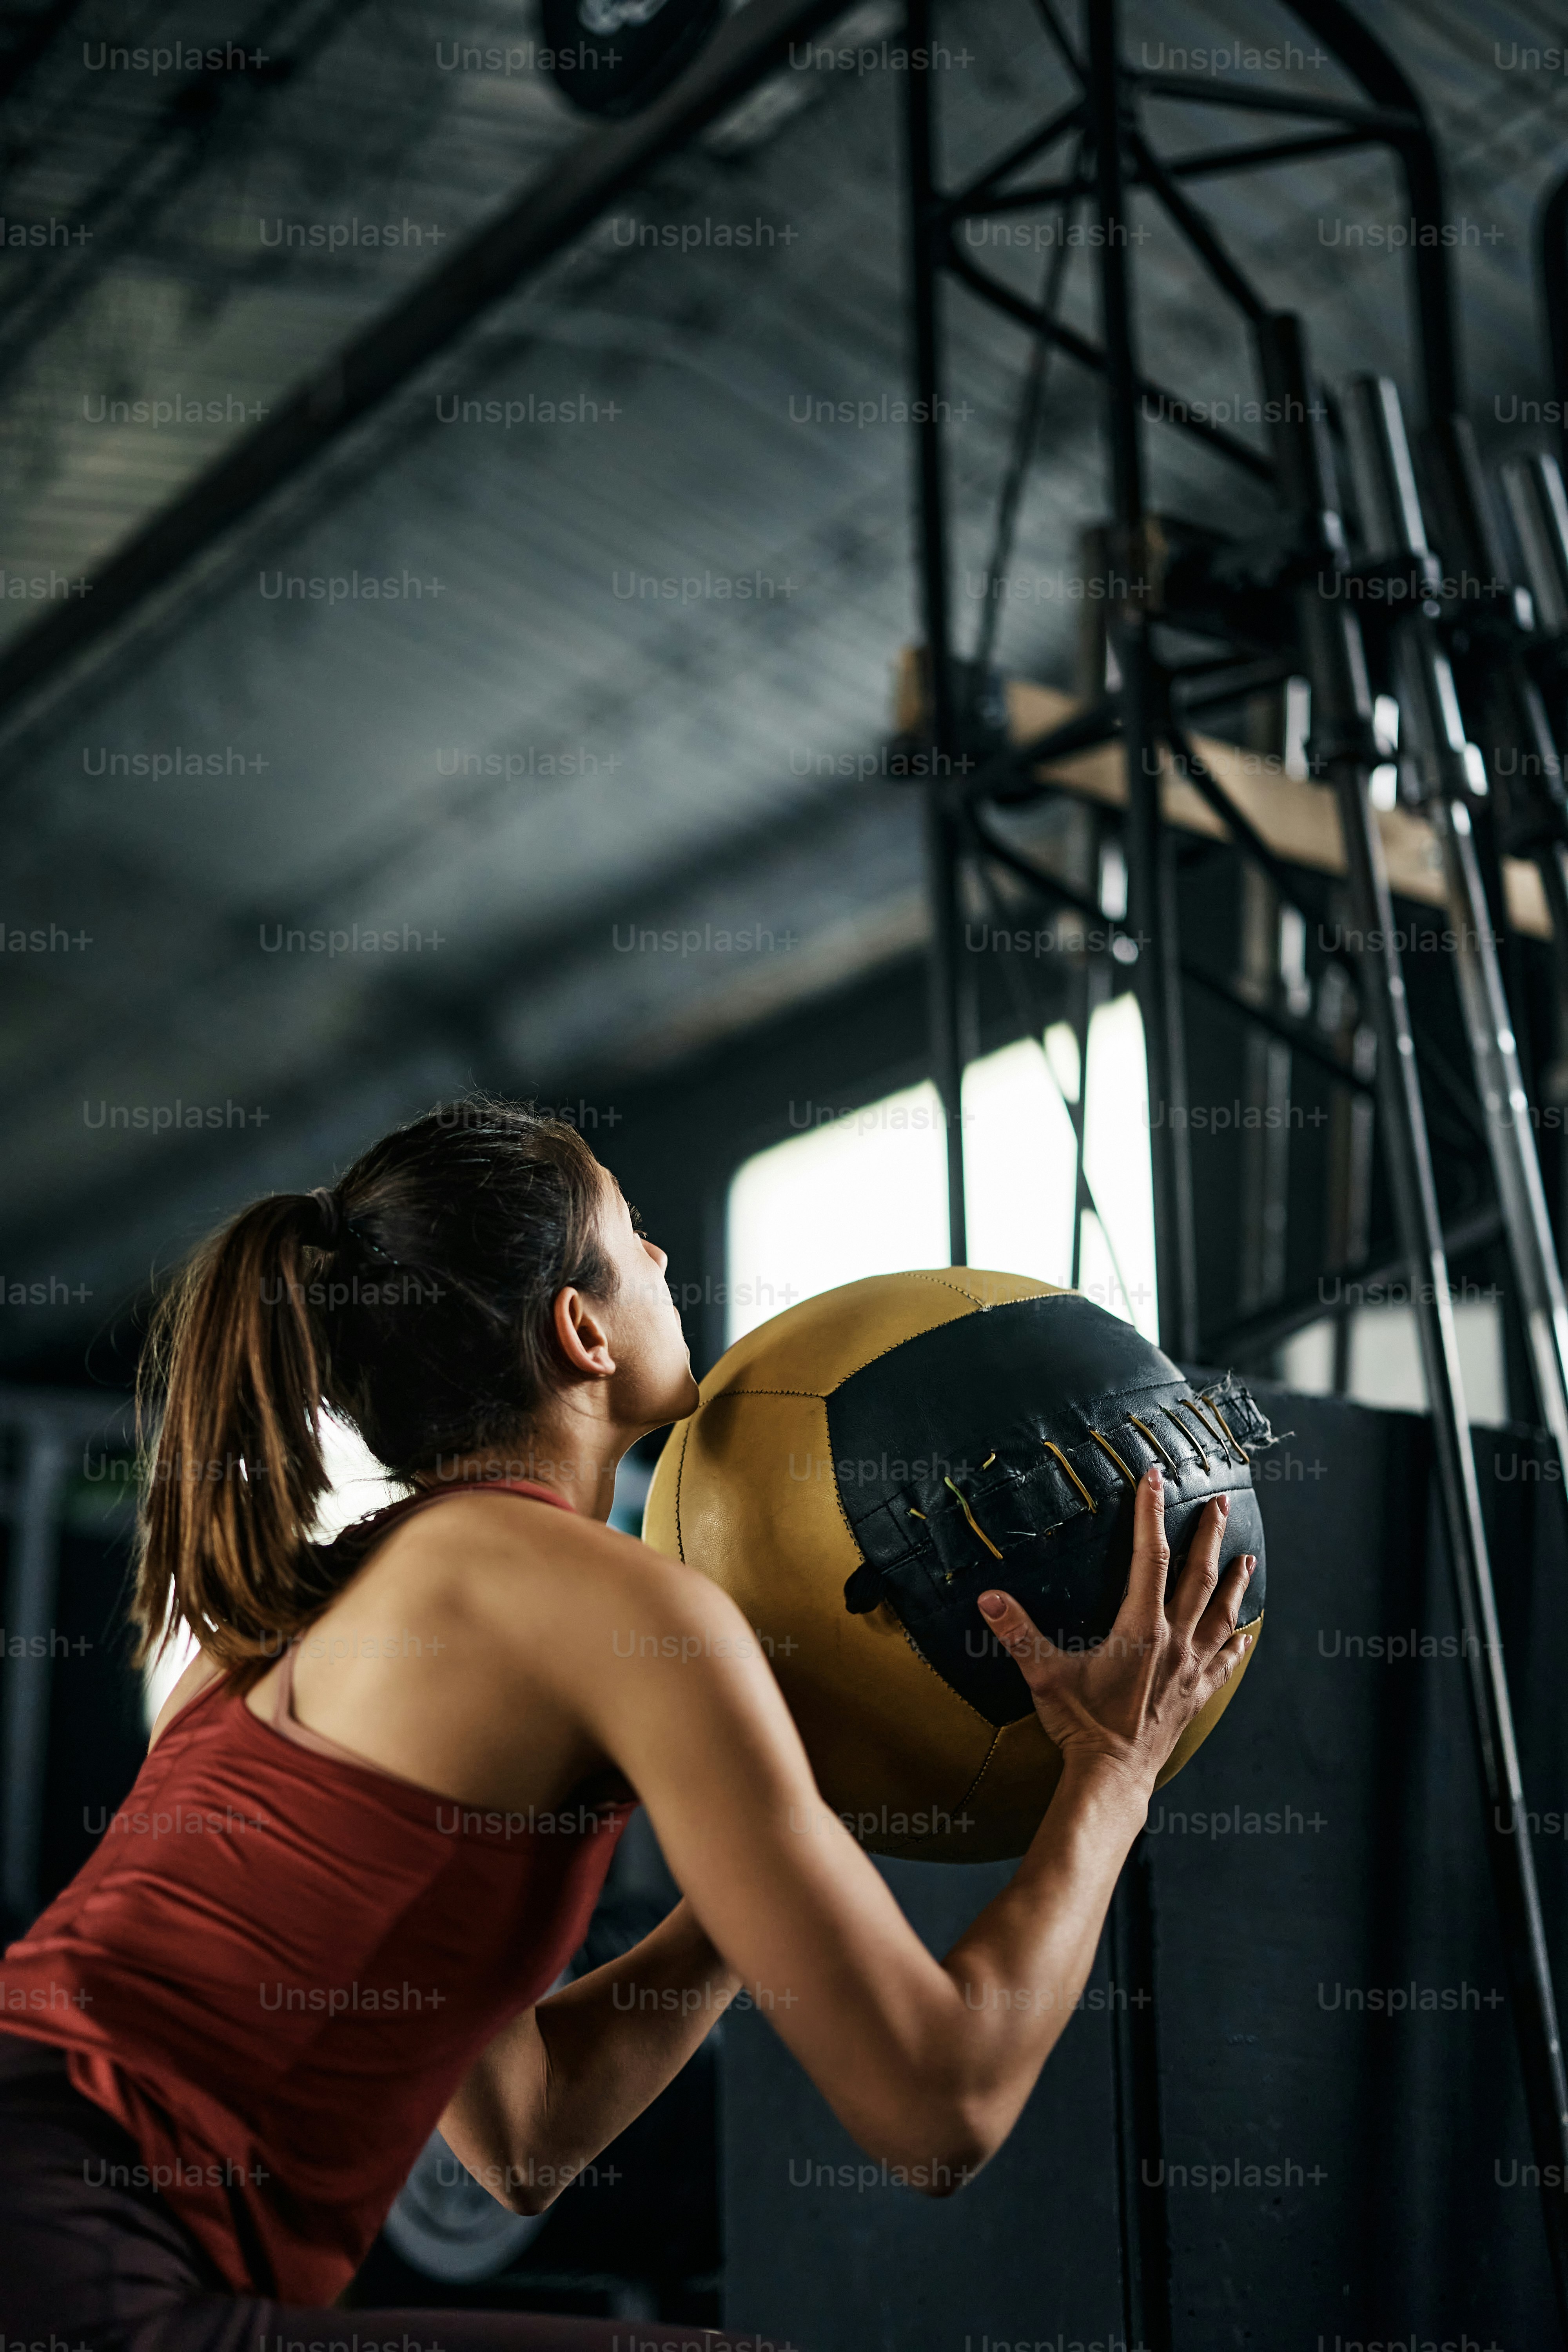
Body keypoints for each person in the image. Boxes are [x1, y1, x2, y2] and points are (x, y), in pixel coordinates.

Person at [0, 1097, 1254, 2352]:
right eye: (634, 1231)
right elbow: (942, 2102)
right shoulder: (600, 1597)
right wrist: (1111, 1769)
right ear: (581, 1329)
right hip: (75, 2260)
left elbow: (524, 2137)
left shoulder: (287, 1615)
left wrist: (762, 1853)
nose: (661, 1259)